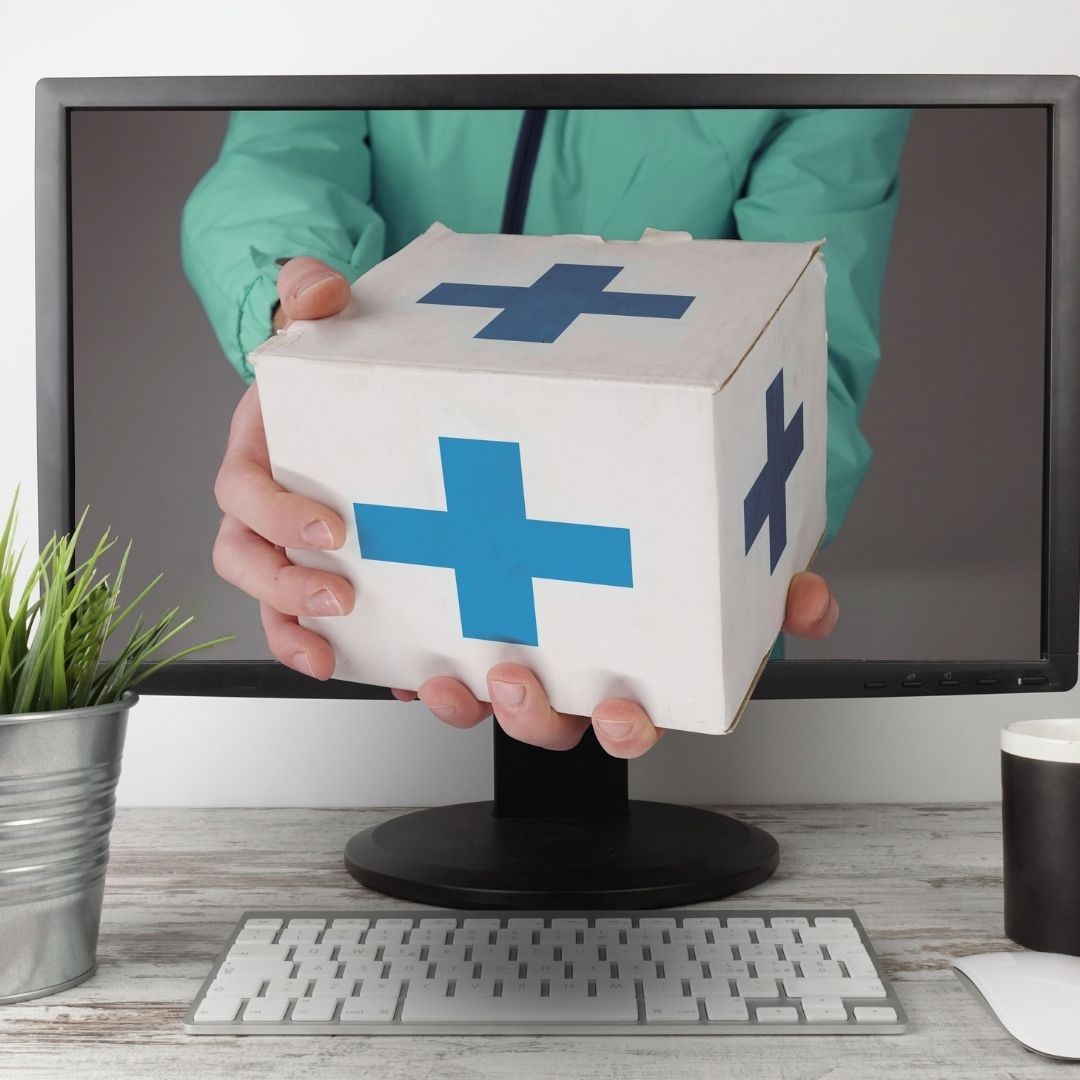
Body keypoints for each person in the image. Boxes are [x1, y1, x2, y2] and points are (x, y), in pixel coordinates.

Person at [181, 105, 912, 759]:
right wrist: (294, 348)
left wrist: (761, 557)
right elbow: (278, 156)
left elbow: (810, 343)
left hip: (670, 673)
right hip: (396, 622)